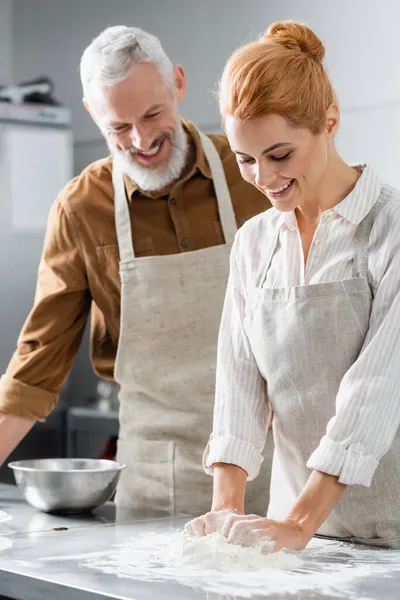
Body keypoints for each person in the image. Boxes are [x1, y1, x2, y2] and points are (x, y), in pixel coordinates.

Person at [0, 26, 273, 516]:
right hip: (155, 479)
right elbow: (38, 361)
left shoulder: (251, 173)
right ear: (92, 115)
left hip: (273, 465)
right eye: (118, 128)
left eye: (153, 114)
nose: (143, 140)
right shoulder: (83, 207)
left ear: (179, 84)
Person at [186, 21, 400, 550]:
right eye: (244, 159)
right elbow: (239, 384)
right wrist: (225, 512)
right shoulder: (255, 242)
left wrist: (301, 523)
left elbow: (373, 394)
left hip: (388, 532)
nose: (262, 177)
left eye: (279, 155)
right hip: (296, 537)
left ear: (330, 122)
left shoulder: (388, 230)